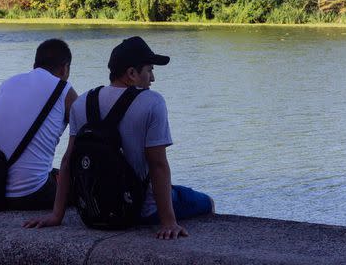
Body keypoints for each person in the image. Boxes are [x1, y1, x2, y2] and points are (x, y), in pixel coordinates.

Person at [25, 36, 214, 239]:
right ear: (131, 73)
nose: (152, 78)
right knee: (206, 202)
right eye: (149, 70)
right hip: (141, 210)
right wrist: (168, 222)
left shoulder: (82, 103)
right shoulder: (152, 102)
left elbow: (68, 161)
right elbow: (158, 165)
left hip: (93, 211)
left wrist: (56, 215)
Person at [0, 38, 78, 209]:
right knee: (83, 184)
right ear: (65, 68)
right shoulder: (64, 90)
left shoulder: (7, 84)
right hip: (31, 193)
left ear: (35, 64)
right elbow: (87, 134)